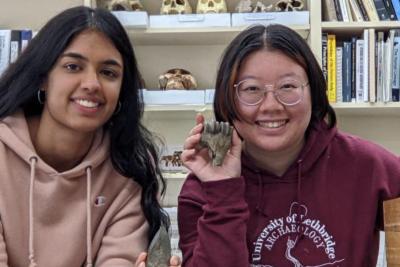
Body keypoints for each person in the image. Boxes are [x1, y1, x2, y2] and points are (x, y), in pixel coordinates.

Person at [178, 24, 400, 266]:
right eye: (251, 89)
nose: (271, 105)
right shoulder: (203, 189)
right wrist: (223, 190)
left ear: (314, 92)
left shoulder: (367, 166)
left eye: (288, 87)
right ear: (226, 100)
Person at [0, 6, 179, 267]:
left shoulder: (128, 170)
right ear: (43, 78)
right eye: (73, 66)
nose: (92, 84)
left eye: (108, 73)